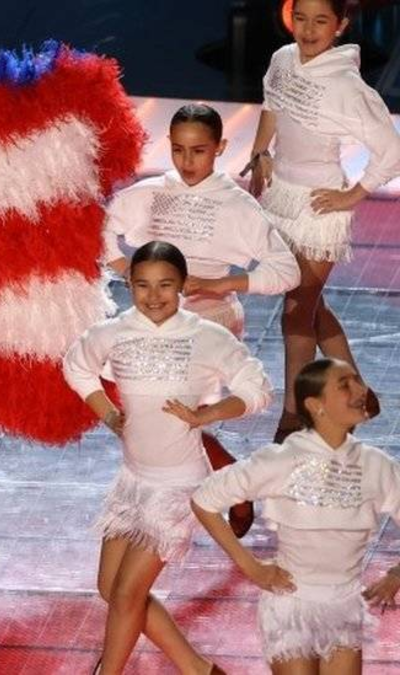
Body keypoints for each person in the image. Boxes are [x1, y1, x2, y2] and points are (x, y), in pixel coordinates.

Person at [63, 241, 271, 674]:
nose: (153, 296)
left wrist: (207, 414)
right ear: (129, 285)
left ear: (182, 286)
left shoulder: (205, 336)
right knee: (111, 589)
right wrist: (107, 413)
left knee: (126, 594)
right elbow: (76, 365)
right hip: (133, 481)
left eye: (165, 285)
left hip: (179, 486)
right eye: (143, 285)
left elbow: (257, 388)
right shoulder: (114, 332)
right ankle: (199, 670)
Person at [104, 102, 301, 537]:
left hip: (208, 323)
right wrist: (128, 271)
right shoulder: (152, 192)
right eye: (178, 150)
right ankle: (231, 484)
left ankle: (220, 489)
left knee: (169, 417)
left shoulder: (236, 205)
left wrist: (219, 283)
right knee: (141, 410)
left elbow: (286, 271)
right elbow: (102, 228)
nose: (187, 161)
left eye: (198, 151)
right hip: (153, 318)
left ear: (220, 147)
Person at [244, 0, 400, 442]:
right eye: (302, 18)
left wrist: (353, 194)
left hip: (319, 209)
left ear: (340, 25)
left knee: (297, 310)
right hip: (281, 199)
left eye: (321, 21)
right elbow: (271, 103)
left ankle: (293, 415)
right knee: (311, 306)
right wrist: (260, 153)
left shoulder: (345, 86)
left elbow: (392, 149)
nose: (309, 29)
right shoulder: (282, 59)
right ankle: (357, 391)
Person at [193, 358, 400, 674]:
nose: (360, 391)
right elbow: (204, 499)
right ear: (316, 405)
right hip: (291, 605)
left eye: (358, 381)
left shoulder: (377, 465)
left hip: (344, 607)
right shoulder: (282, 460)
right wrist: (251, 568)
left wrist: (396, 574)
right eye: (345, 385)